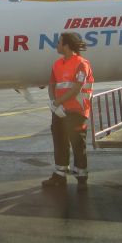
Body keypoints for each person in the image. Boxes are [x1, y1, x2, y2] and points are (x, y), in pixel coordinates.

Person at [42, 32, 94, 191]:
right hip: (59, 111)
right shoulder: (57, 64)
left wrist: (57, 102)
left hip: (76, 111)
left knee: (78, 144)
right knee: (60, 143)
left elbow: (77, 87)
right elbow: (52, 84)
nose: (56, 45)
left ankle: (81, 175)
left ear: (66, 46)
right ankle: (59, 175)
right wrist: (54, 103)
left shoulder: (81, 64)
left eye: (59, 42)